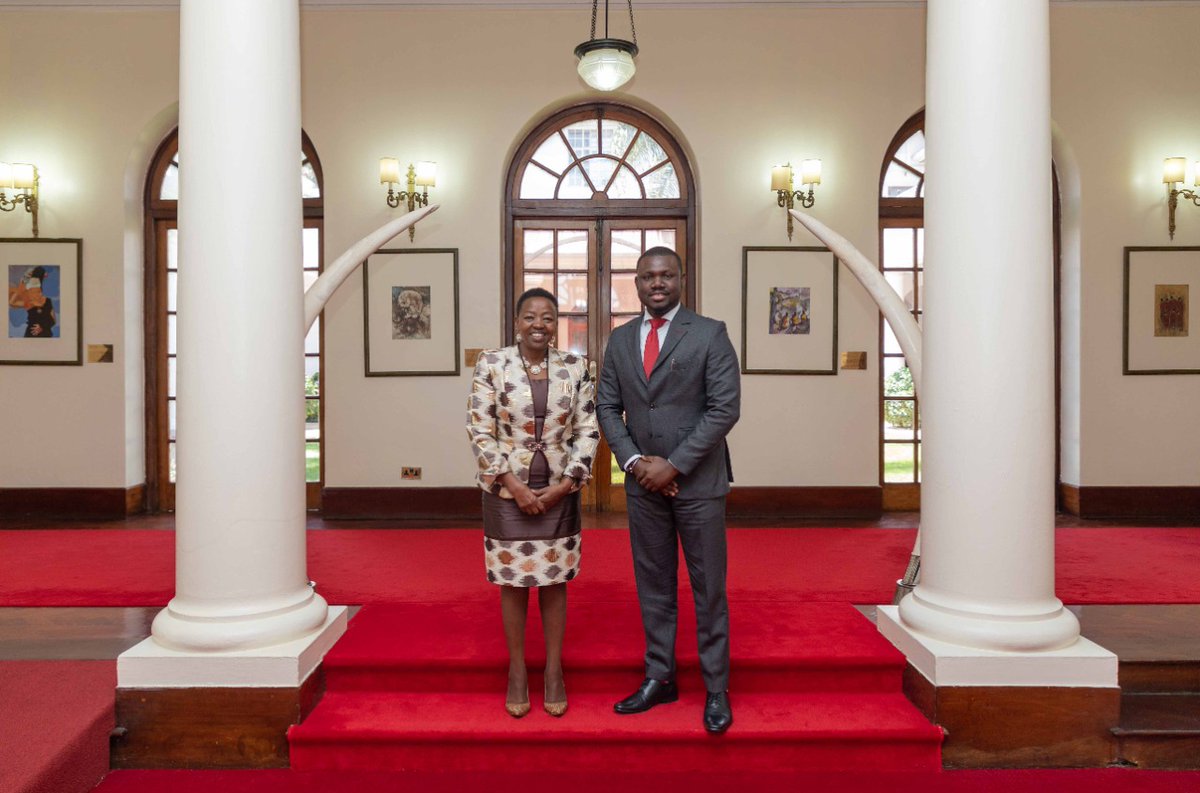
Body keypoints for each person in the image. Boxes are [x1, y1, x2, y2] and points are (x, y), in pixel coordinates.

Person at [597, 246, 740, 734]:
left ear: (681, 278)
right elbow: (606, 408)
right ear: (635, 283)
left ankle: (716, 688)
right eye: (647, 277)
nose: (657, 284)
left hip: (698, 484)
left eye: (666, 275)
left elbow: (724, 409)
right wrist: (636, 463)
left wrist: (674, 466)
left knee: (708, 589)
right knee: (654, 587)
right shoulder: (618, 341)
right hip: (642, 487)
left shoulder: (709, 333)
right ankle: (660, 677)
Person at [466, 287, 600, 718]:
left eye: (547, 317)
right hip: (507, 489)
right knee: (514, 580)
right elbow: (479, 429)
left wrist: (564, 485)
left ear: (555, 323)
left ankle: (555, 670)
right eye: (529, 316)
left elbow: (588, 430)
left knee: (554, 578)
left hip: (560, 487)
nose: (538, 324)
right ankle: (518, 671)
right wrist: (512, 484)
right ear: (516, 322)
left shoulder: (576, 367)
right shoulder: (492, 363)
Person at [7, 266, 56, 338]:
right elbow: (11, 302)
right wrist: (21, 287)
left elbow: (53, 321)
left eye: (35, 288)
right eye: (30, 289)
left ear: (39, 289)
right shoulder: (29, 302)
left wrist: (42, 327)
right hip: (30, 335)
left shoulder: (48, 301)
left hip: (46, 334)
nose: (32, 291)